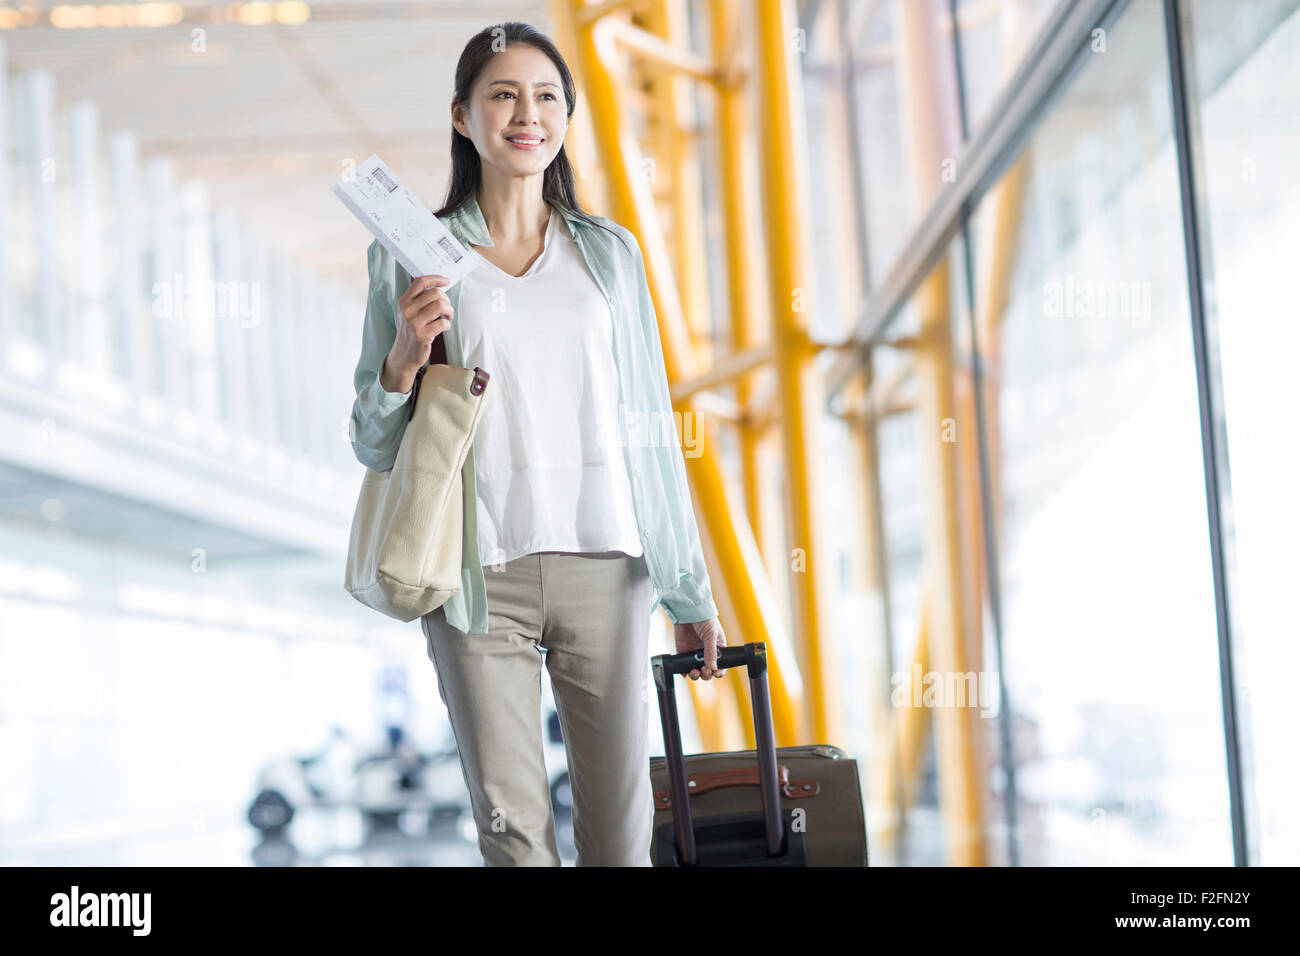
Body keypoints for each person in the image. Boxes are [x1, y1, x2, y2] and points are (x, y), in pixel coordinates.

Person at [349, 21, 727, 866]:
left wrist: (685, 586)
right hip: (481, 578)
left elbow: (649, 426)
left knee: (622, 834)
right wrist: (404, 361)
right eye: (504, 94)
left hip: (609, 567)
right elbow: (373, 443)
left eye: (547, 95)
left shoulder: (610, 256)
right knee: (513, 832)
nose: (528, 114)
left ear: (566, 116)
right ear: (462, 115)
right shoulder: (413, 256)